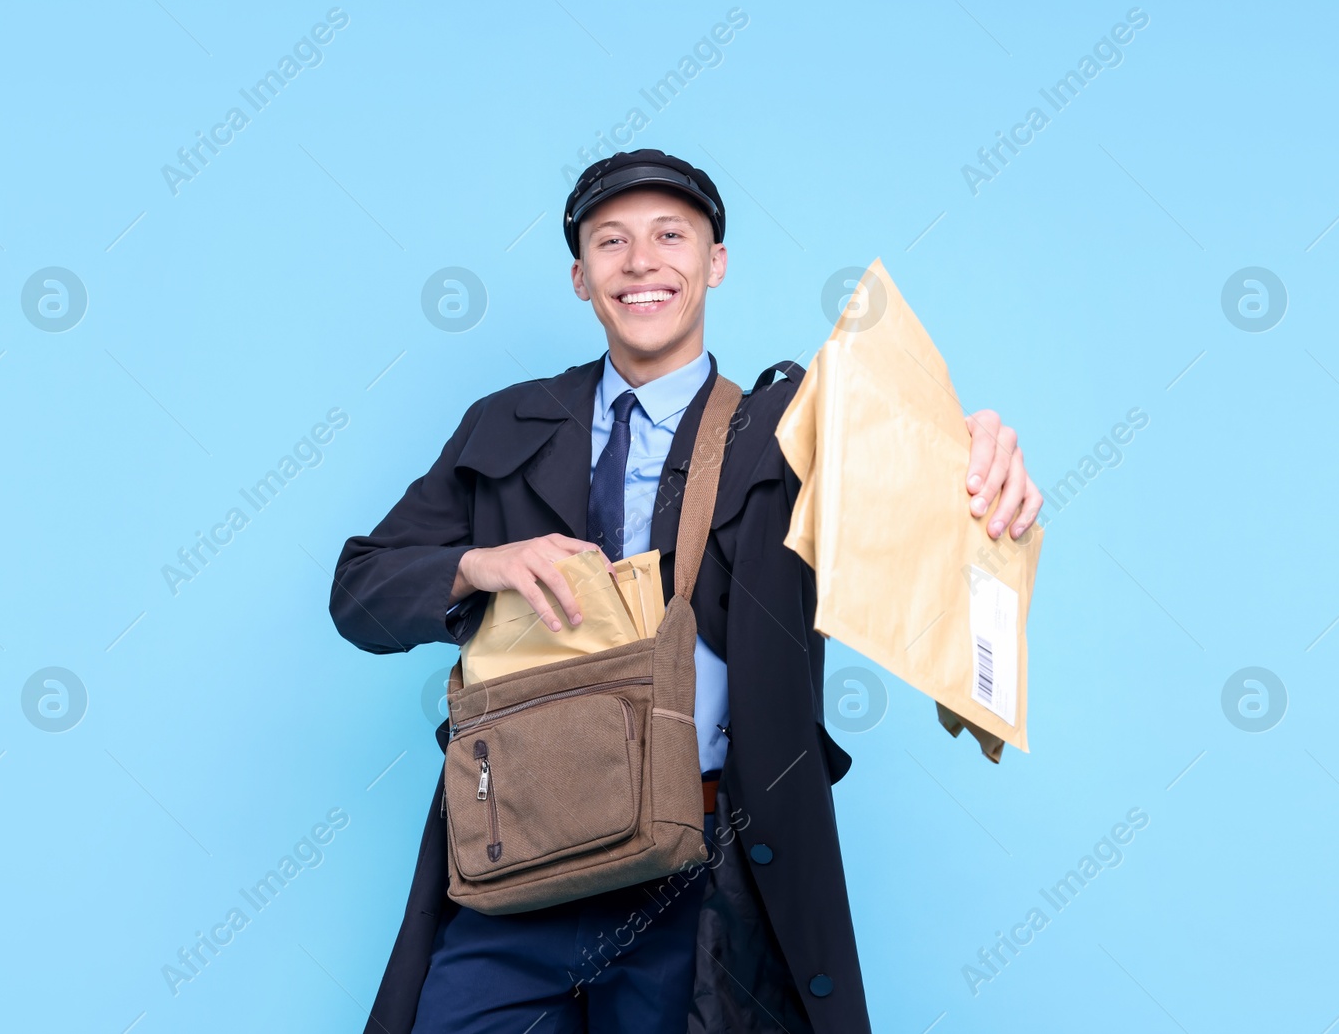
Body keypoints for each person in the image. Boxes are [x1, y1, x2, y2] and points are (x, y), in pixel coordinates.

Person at [329, 148, 1043, 1033]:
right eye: (610, 241)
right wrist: (477, 566)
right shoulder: (504, 422)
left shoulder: (794, 430)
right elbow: (358, 589)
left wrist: (974, 452)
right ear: (581, 277)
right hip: (516, 863)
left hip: (702, 876)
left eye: (672, 235)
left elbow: (928, 522)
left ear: (716, 262)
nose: (641, 262)